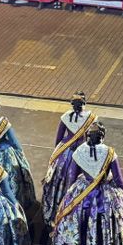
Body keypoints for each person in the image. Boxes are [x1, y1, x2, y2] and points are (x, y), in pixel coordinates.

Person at [52, 121, 123, 245]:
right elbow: (119, 180)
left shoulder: (79, 151)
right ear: (103, 136)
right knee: (111, 227)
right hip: (106, 197)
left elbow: (72, 176)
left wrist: (69, 197)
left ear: (87, 136)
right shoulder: (109, 152)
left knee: (79, 227)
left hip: (82, 194)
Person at [42, 92, 98, 229]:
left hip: (65, 152)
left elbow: (59, 138)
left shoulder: (66, 117)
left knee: (60, 176)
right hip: (83, 151)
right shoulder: (91, 118)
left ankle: (58, 207)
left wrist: (57, 154)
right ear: (84, 103)